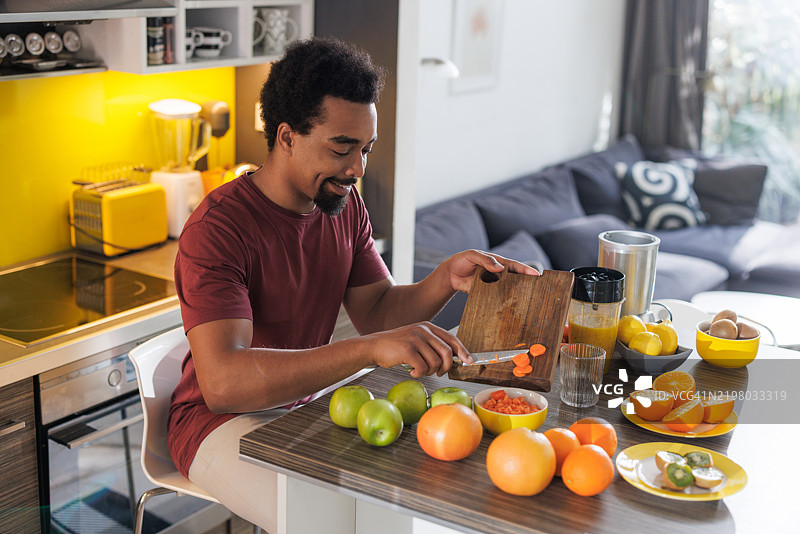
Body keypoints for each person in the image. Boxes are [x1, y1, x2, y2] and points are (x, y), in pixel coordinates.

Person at [167, 37, 538, 530]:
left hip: (309, 404)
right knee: (326, 522)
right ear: (287, 137)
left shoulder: (341, 206)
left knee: (392, 506)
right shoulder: (218, 229)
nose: (357, 169)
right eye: (342, 148)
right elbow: (224, 385)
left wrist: (445, 279)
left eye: (365, 149)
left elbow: (379, 312)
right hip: (217, 422)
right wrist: (368, 350)